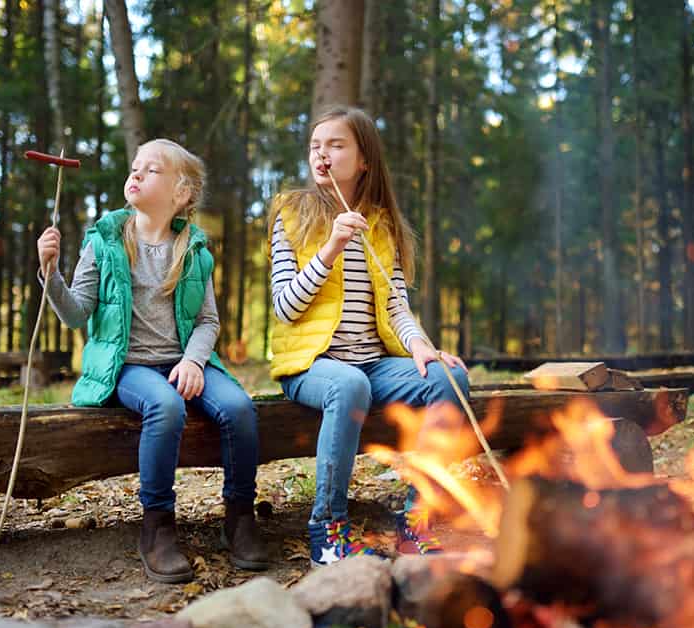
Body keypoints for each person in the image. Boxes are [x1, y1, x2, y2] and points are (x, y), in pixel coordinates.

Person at [37, 138, 269, 582]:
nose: (136, 175)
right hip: (128, 366)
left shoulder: (194, 250)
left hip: (183, 361)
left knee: (240, 408)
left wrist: (195, 363)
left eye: (151, 170)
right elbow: (75, 313)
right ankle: (158, 525)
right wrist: (51, 275)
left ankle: (240, 518)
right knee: (165, 405)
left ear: (181, 193)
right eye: (134, 167)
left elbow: (208, 321)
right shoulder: (104, 241)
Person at [268, 106, 470, 566]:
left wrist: (420, 344)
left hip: (374, 363)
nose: (322, 154)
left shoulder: (381, 225)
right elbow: (285, 306)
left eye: (335, 145)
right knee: (349, 383)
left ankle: (417, 520)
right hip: (312, 367)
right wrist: (331, 246)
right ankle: (328, 530)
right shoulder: (292, 215)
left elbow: (396, 304)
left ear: (364, 160)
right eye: (315, 146)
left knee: (448, 379)